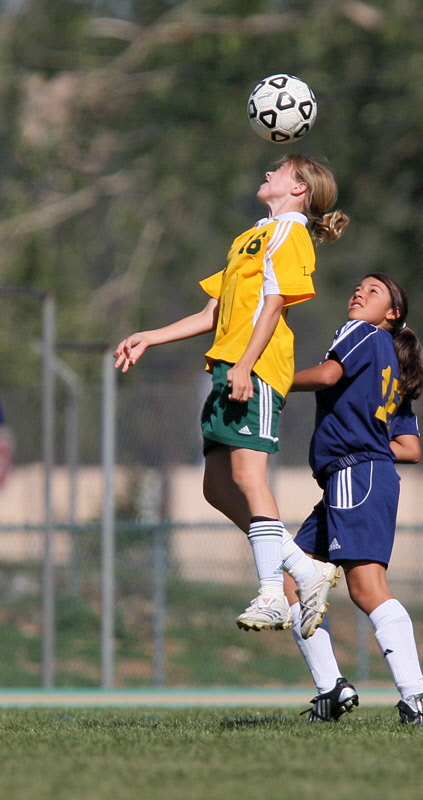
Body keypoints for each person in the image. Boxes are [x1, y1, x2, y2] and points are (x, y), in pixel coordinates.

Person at [114, 154, 349, 633]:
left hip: (256, 369)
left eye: (279, 170)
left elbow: (275, 302)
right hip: (227, 367)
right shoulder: (249, 237)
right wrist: (150, 336)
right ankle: (306, 570)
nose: (267, 172)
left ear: (300, 188)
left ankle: (272, 595)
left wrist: (245, 364)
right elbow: (210, 316)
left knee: (247, 474)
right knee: (216, 488)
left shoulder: (292, 232)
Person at [282, 273, 423, 725]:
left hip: (357, 476)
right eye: (357, 287)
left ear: (392, 314)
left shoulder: (362, 334)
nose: (358, 292)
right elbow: (410, 449)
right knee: (293, 578)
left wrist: (271, 382)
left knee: (366, 587)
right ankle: (332, 689)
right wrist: (370, 445)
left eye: (373, 291)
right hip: (357, 476)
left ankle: (416, 692)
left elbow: (328, 374)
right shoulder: (388, 364)